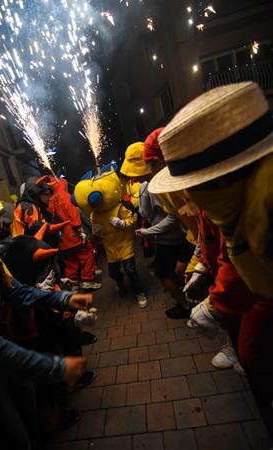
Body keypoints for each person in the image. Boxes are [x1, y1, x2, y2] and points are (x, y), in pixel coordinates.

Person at [149, 81, 273, 434]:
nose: (192, 198)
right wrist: (205, 265)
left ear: (219, 180)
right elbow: (224, 242)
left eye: (195, 186)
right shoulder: (246, 198)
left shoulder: (265, 203)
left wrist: (218, 303)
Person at [0, 187, 93, 449]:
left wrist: (64, 299)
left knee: (26, 397)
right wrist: (56, 367)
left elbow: (18, 291)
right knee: (11, 431)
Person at [133, 128, 195, 319]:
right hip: (187, 236)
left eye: (149, 164)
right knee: (181, 272)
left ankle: (186, 305)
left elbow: (163, 215)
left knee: (165, 274)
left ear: (158, 162)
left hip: (173, 238)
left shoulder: (152, 186)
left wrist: (148, 230)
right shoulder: (176, 178)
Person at [74, 168, 148, 308]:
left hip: (124, 242)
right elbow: (96, 229)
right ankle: (119, 281)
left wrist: (122, 223)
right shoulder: (95, 214)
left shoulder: (120, 207)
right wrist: (90, 234)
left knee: (130, 270)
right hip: (110, 246)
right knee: (113, 273)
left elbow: (131, 221)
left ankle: (140, 292)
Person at [48, 177, 101, 291]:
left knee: (70, 260)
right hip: (72, 234)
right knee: (87, 254)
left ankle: (74, 284)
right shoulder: (65, 196)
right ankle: (87, 281)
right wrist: (80, 230)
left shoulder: (48, 200)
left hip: (60, 239)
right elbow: (74, 216)